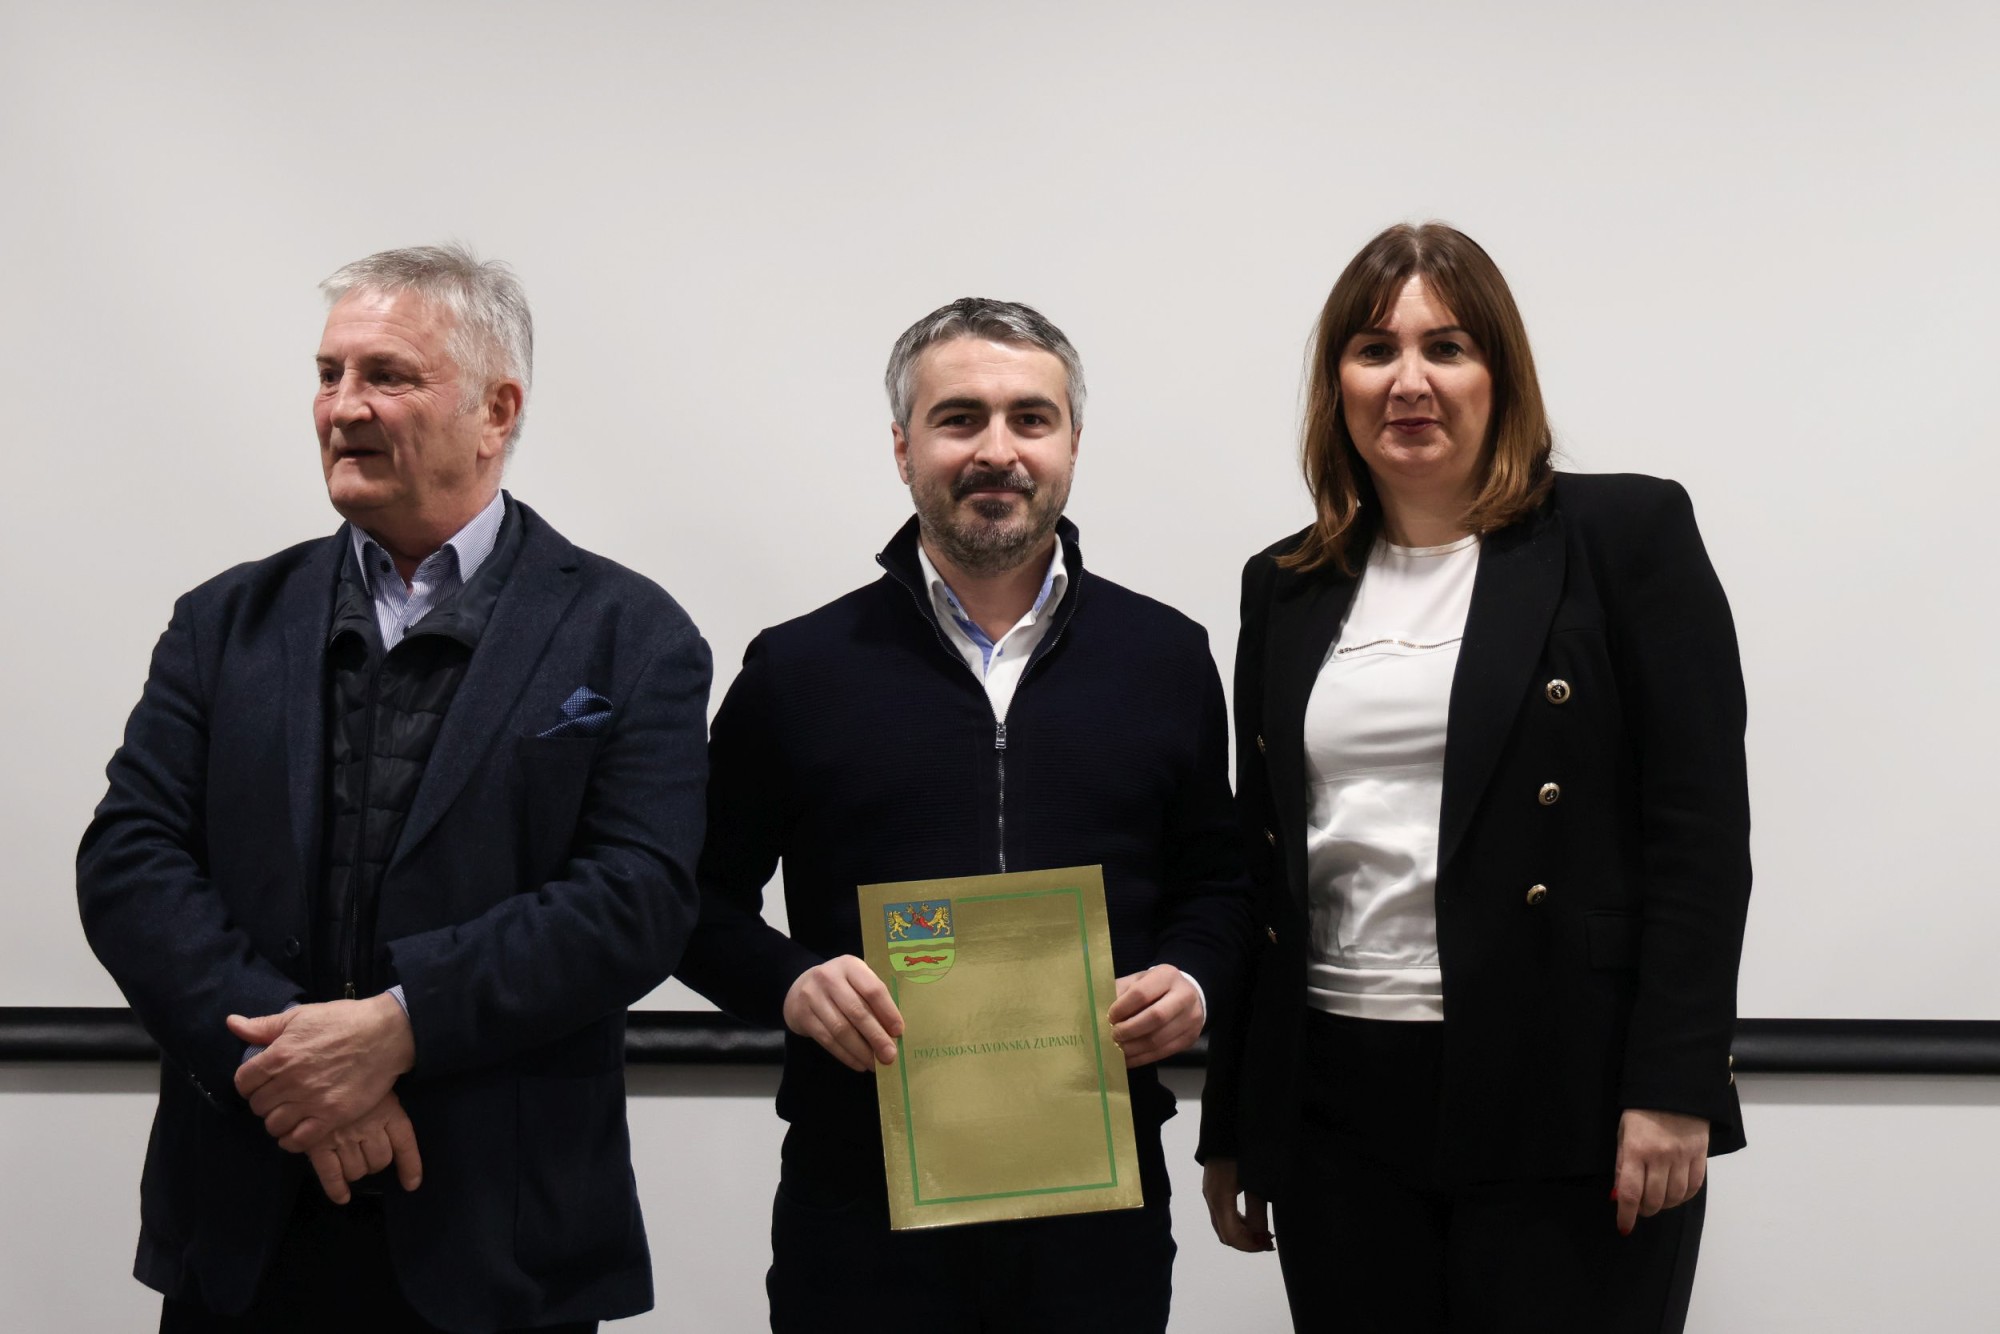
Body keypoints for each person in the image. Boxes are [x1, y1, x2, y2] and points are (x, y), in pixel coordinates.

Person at [76, 244, 711, 1334]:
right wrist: (290, 1068)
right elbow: (128, 861)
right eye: (329, 374)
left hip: (499, 1240)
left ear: (496, 409)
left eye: (386, 376)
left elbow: (635, 898)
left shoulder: (630, 632)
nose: (342, 407)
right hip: (246, 1221)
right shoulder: (224, 620)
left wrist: (401, 1026)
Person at [1197, 222, 1751, 1332]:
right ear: (1337, 386)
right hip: (1334, 1093)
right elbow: (1262, 864)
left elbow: (1697, 834)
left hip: (1566, 1083)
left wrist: (1673, 1084)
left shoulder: (1622, 534)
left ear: (1500, 374)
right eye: (1373, 351)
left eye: (1445, 347)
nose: (1408, 382)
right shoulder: (1286, 582)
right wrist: (1233, 1120)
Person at [675, 297, 1257, 1333]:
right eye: (959, 419)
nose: (997, 450)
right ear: (903, 448)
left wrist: (1194, 979)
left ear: (1072, 442)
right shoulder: (799, 669)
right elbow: (688, 899)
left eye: (1031, 418)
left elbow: (1219, 880)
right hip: (859, 1202)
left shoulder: (1166, 657)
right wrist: (790, 982)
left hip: (1097, 1199)